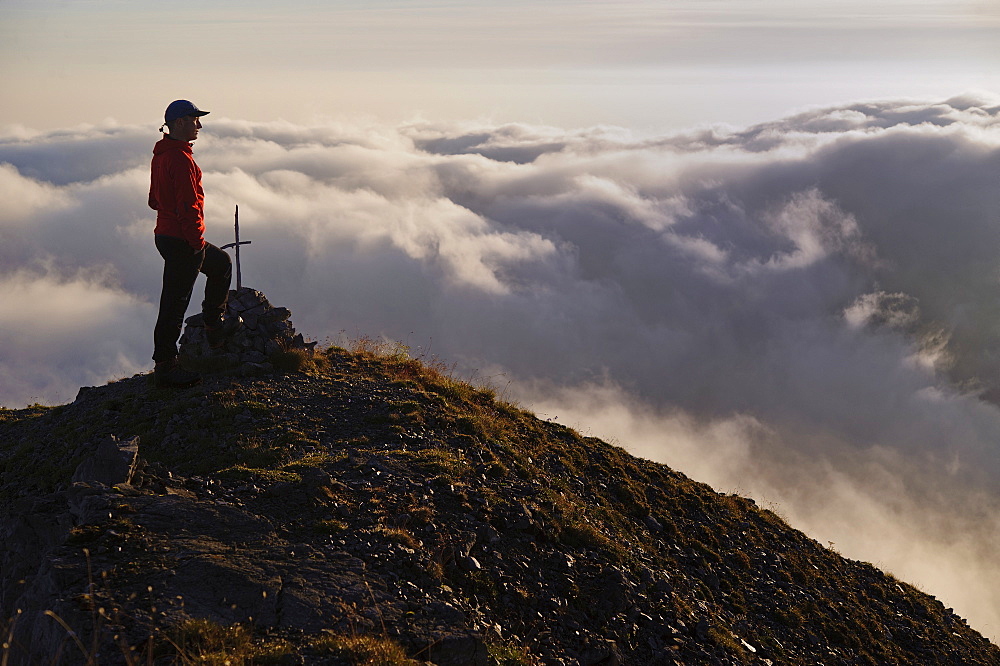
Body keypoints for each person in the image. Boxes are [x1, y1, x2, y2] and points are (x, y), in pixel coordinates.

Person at [148, 99, 234, 388]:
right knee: (174, 303)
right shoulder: (180, 158)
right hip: (183, 240)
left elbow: (153, 200)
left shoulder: (161, 154)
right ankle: (166, 368)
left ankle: (214, 327)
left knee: (221, 263)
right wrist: (196, 243)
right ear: (181, 122)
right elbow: (189, 206)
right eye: (195, 119)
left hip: (167, 235)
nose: (199, 125)